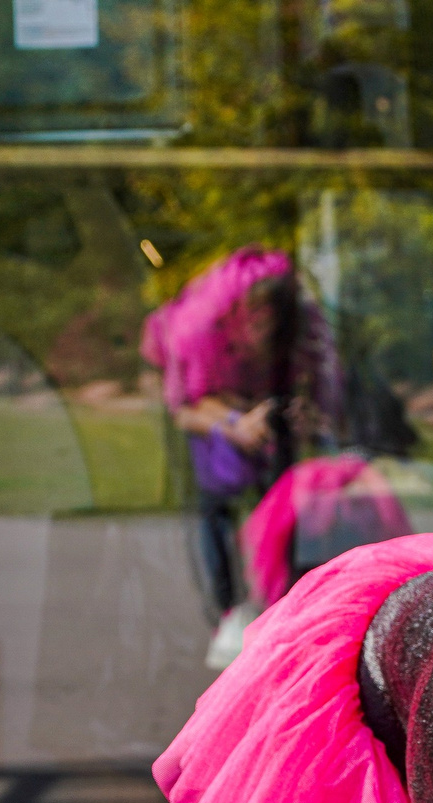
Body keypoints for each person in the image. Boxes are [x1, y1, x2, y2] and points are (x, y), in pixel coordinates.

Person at [139, 248, 343, 666]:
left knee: (288, 506)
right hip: (213, 412)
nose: (265, 336)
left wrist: (303, 414)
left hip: (262, 415)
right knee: (215, 506)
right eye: (259, 324)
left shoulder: (306, 331)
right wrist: (233, 423)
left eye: (275, 329)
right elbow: (184, 408)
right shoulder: (196, 331)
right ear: (239, 317)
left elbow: (323, 399)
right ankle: (227, 608)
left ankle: (284, 603)